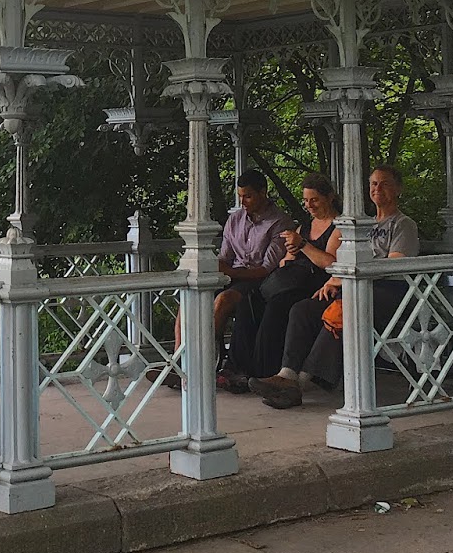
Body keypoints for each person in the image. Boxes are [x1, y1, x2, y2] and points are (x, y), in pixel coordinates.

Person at [253, 165, 419, 408]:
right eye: (373, 183)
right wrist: (333, 281)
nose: (377, 189)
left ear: (398, 189)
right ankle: (287, 374)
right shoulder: (364, 224)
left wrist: (345, 278)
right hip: (354, 286)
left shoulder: (403, 224)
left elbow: (394, 263)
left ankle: (301, 381)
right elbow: (345, 258)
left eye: (384, 183)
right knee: (303, 309)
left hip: (389, 291)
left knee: (341, 311)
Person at [155, 170, 294, 388]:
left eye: (248, 196)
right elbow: (224, 256)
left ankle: (199, 362)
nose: (243, 201)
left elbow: (266, 268)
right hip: (232, 275)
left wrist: (228, 271)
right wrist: (217, 269)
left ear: (263, 193)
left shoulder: (280, 222)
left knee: (223, 300)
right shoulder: (235, 219)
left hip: (260, 282)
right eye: (240, 196)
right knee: (188, 299)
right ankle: (178, 360)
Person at [220, 173, 341, 389]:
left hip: (316, 284)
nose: (309, 205)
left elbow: (330, 263)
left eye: (314, 199)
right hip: (292, 280)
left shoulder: (338, 227)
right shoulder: (304, 226)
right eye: (305, 200)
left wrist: (303, 245)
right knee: (250, 302)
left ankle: (264, 371)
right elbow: (288, 257)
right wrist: (289, 258)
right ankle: (236, 368)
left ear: (329, 197)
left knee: (278, 305)